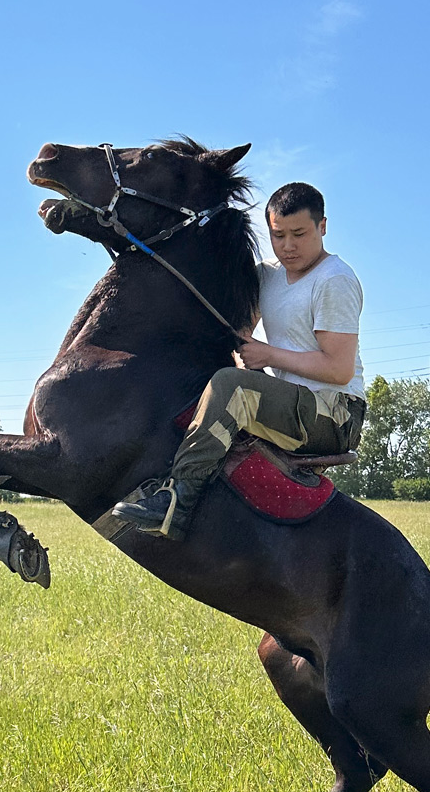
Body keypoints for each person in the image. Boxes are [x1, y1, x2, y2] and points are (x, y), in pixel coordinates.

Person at [111, 181, 366, 540]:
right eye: (278, 235)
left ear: (323, 227)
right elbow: (240, 330)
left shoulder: (334, 280)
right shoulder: (268, 275)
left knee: (230, 388)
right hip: (295, 402)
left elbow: (338, 370)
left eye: (299, 234)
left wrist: (268, 355)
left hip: (336, 414)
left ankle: (175, 502)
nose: (288, 246)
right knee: (214, 380)